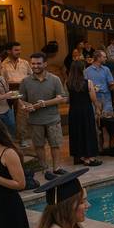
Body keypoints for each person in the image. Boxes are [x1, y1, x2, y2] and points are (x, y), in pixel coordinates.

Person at [19, 52, 68, 180]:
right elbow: (21, 99)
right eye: (33, 63)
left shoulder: (55, 79)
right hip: (35, 120)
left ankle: (57, 168)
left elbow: (63, 98)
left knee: (55, 145)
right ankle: (44, 169)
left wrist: (44, 104)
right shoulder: (25, 81)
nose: (35, 66)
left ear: (45, 64)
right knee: (39, 145)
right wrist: (25, 106)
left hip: (53, 118)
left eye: (38, 63)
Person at [66, 61, 102, 167]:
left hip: (74, 111)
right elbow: (93, 98)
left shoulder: (68, 83)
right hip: (86, 110)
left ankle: (80, 156)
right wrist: (97, 108)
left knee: (77, 133)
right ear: (82, 70)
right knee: (88, 132)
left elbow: (67, 99)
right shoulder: (88, 82)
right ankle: (89, 158)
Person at [1, 41, 32, 148]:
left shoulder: (25, 63)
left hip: (23, 89)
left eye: (20, 49)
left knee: (22, 113)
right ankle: (15, 138)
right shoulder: (3, 65)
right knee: (14, 114)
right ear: (9, 51)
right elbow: (2, 81)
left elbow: (31, 76)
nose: (19, 52)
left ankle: (22, 137)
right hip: (10, 90)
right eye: (16, 50)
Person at [84, 51, 114, 149]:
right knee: (97, 125)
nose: (106, 58)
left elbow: (111, 84)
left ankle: (112, 147)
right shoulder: (87, 71)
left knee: (110, 124)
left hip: (106, 99)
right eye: (104, 57)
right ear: (98, 58)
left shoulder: (106, 69)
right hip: (94, 99)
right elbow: (84, 85)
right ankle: (99, 148)